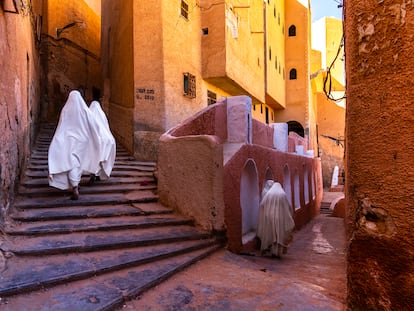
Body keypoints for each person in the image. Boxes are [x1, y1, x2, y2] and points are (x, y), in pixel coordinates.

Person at [48, 90, 102, 200]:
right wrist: (95, 138)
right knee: (78, 164)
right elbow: (93, 125)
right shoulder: (85, 110)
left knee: (70, 163)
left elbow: (61, 125)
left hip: (67, 140)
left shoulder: (66, 109)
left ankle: (75, 186)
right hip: (82, 141)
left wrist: (57, 139)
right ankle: (75, 185)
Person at [257, 181, 295, 258]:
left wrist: (266, 213)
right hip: (280, 218)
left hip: (270, 217)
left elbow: (262, 204)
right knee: (279, 234)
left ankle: (272, 251)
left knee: (272, 233)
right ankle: (278, 252)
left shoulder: (269, 194)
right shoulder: (282, 194)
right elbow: (288, 206)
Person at [88, 100, 116, 184]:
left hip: (93, 139)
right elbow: (106, 127)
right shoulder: (102, 114)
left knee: (93, 157)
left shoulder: (89, 114)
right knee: (100, 157)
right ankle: (97, 175)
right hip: (105, 139)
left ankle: (93, 174)